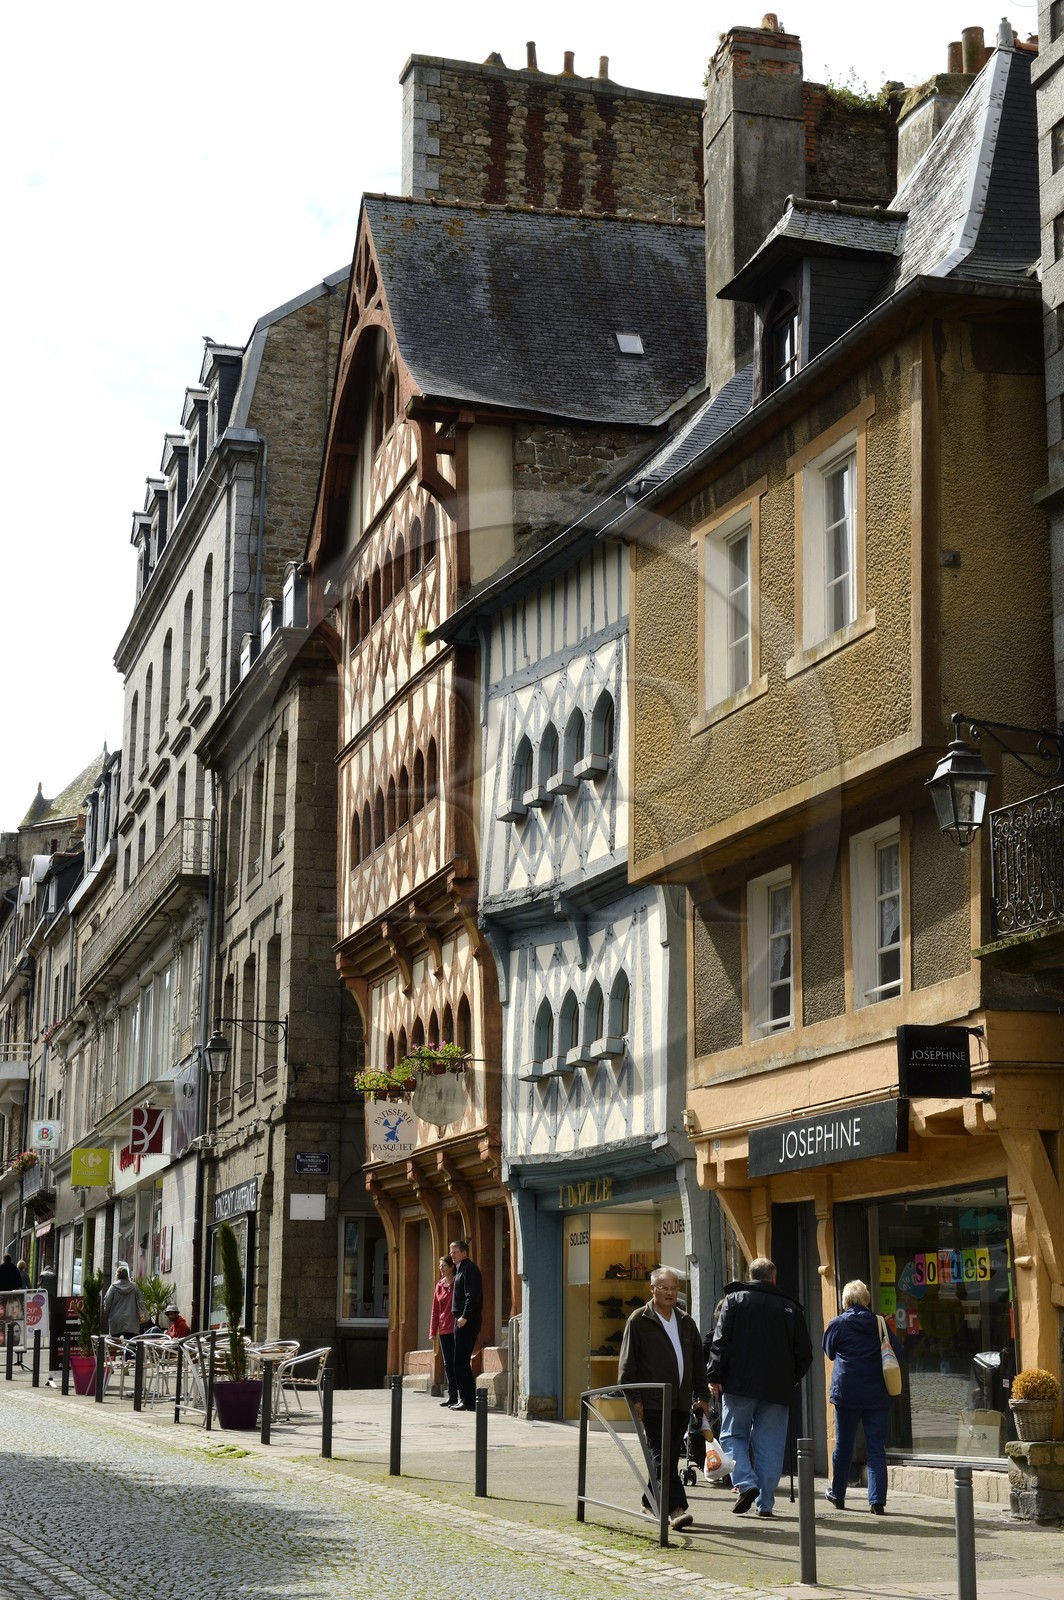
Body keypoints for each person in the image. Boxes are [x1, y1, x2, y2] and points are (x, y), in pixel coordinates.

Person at [705, 1257, 813, 1518]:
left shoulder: (734, 1300)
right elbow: (805, 1351)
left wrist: (714, 1374)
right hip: (777, 1387)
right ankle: (765, 1504)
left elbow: (721, 1341)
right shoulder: (790, 1307)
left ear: (749, 1275)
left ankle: (745, 1482)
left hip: (739, 1383)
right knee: (770, 1445)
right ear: (774, 1278)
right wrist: (794, 1376)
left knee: (733, 1435)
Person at [617, 1266, 709, 1532]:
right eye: (664, 1288)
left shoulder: (686, 1322)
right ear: (652, 1289)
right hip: (653, 1400)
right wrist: (634, 1398)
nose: (670, 1293)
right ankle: (675, 1508)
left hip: (680, 1401)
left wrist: (702, 1395)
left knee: (667, 1455)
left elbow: (697, 1365)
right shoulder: (639, 1319)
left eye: (674, 1288)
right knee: (662, 1454)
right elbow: (627, 1366)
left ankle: (649, 1500)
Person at [823, 1279, 902, 1515]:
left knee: (843, 1446)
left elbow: (829, 1352)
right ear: (867, 1300)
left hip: (846, 1393)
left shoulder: (837, 1323)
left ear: (845, 1300)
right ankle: (877, 1501)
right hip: (876, 1393)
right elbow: (899, 1352)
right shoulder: (880, 1324)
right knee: (876, 1448)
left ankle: (838, 1494)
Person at [448, 1238, 482, 1411]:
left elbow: (472, 1296)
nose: (451, 1255)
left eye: (454, 1252)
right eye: (451, 1252)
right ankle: (465, 1398)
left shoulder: (469, 1269)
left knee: (461, 1361)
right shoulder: (460, 1270)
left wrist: (464, 1317)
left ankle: (468, 1400)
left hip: (466, 1322)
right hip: (461, 1320)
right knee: (458, 1361)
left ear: (464, 1252)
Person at [429, 1257, 458, 1407]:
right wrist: (432, 1331)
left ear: (452, 1267)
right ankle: (452, 1395)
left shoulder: (458, 1282)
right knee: (448, 1364)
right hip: (444, 1330)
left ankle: (462, 1395)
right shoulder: (439, 1285)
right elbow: (435, 1310)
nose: (441, 1268)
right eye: (440, 1266)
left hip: (457, 1328)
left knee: (458, 1362)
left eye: (444, 1266)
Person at [102, 1265, 145, 1338]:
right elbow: (140, 1301)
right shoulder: (134, 1287)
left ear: (117, 1275)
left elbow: (107, 1302)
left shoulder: (113, 1287)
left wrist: (107, 1311)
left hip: (116, 1320)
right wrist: (142, 1315)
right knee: (131, 1346)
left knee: (115, 1345)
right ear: (127, 1275)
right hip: (132, 1321)